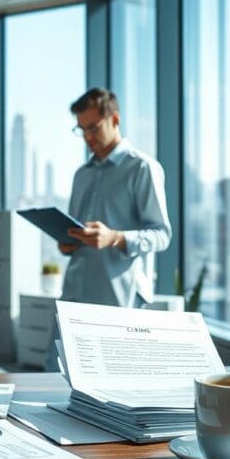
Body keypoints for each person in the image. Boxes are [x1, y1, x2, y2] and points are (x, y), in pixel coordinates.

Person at [46, 88, 171, 370]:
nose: (88, 137)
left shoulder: (142, 168)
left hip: (118, 299)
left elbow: (162, 235)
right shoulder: (82, 174)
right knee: (57, 375)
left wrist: (115, 237)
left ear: (114, 119)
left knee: (113, 383)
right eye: (81, 130)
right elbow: (77, 229)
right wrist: (67, 242)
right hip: (76, 292)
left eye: (93, 127)